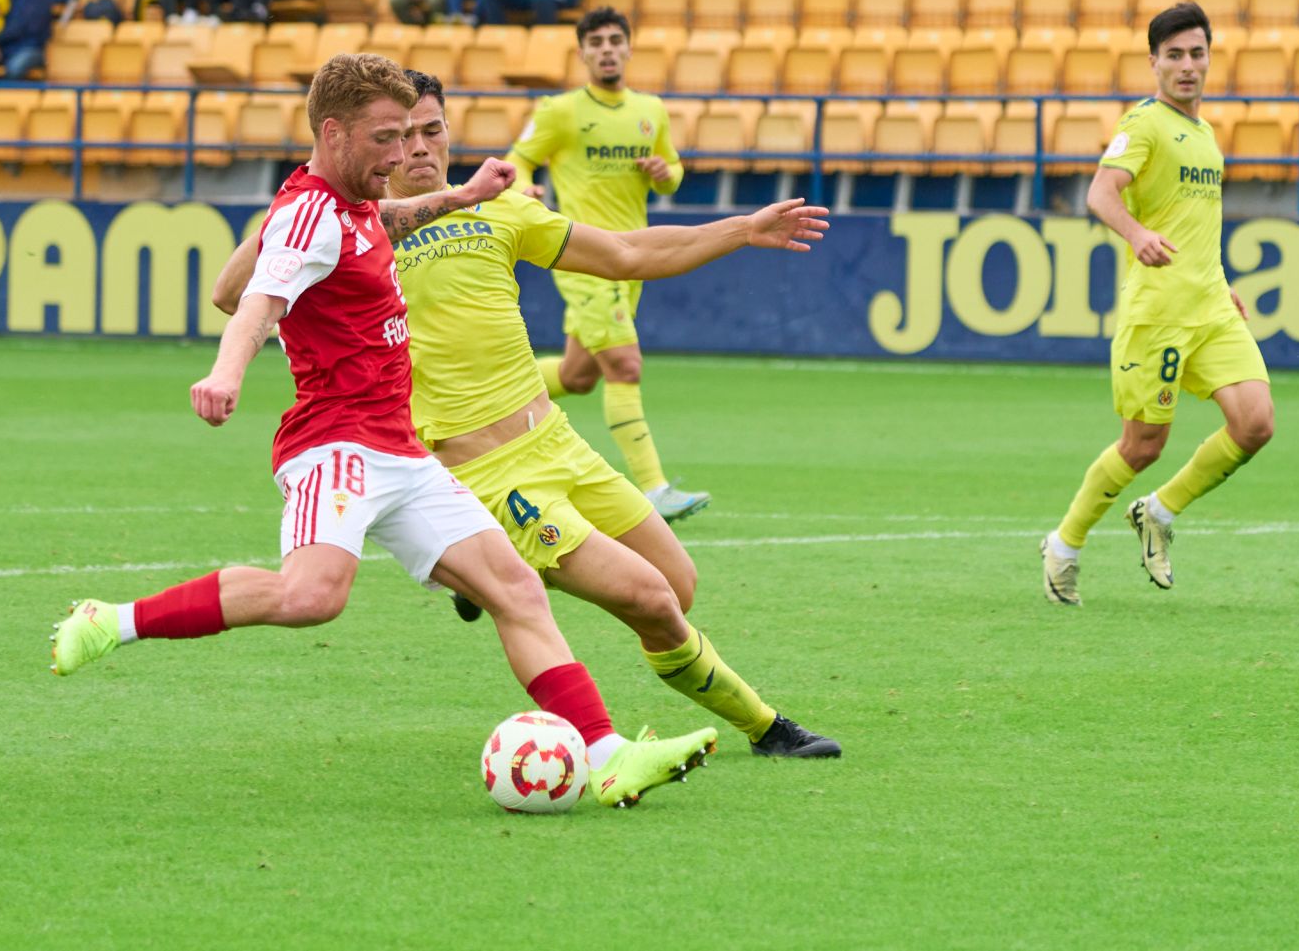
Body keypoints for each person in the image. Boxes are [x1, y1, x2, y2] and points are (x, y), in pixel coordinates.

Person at [47, 52, 720, 812]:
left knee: (517, 588)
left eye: (410, 136)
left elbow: (386, 219)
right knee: (311, 597)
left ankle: (605, 756)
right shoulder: (303, 216)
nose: (403, 155)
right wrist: (225, 375)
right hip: (335, 445)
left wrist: (461, 195)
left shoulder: (355, 203)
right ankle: (112, 621)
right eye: (386, 139)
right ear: (332, 133)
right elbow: (257, 303)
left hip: (400, 447)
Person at [212, 68, 842, 757]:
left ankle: (477, 578)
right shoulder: (343, 231)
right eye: (402, 134)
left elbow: (626, 251)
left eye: (433, 129)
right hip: (479, 468)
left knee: (679, 587)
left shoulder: (501, 210)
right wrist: (290, 211)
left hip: (558, 443)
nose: (418, 147)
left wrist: (742, 229)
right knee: (650, 598)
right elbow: (230, 291)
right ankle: (766, 727)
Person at [1042, 4, 1275, 607]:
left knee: (1255, 423)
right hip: (1160, 314)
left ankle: (1160, 511)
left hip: (1211, 307)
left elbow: (1193, 224)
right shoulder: (1143, 125)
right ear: (1154, 63)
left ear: (1208, 58)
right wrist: (1136, 234)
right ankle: (1064, 545)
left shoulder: (1205, 135)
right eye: (1174, 55)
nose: (1187, 66)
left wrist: (1220, 283)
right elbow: (1100, 192)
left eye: (1197, 53)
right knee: (1143, 445)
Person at [510, 8, 707, 520]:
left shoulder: (651, 111)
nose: (606, 49)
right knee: (624, 363)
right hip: (581, 254)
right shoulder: (560, 112)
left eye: (615, 40)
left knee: (579, 375)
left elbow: (672, 175)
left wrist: (666, 173)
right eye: (595, 42)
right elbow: (519, 157)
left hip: (633, 256)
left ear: (628, 48)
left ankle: (494, 386)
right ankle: (655, 487)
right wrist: (524, 184)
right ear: (582, 53)